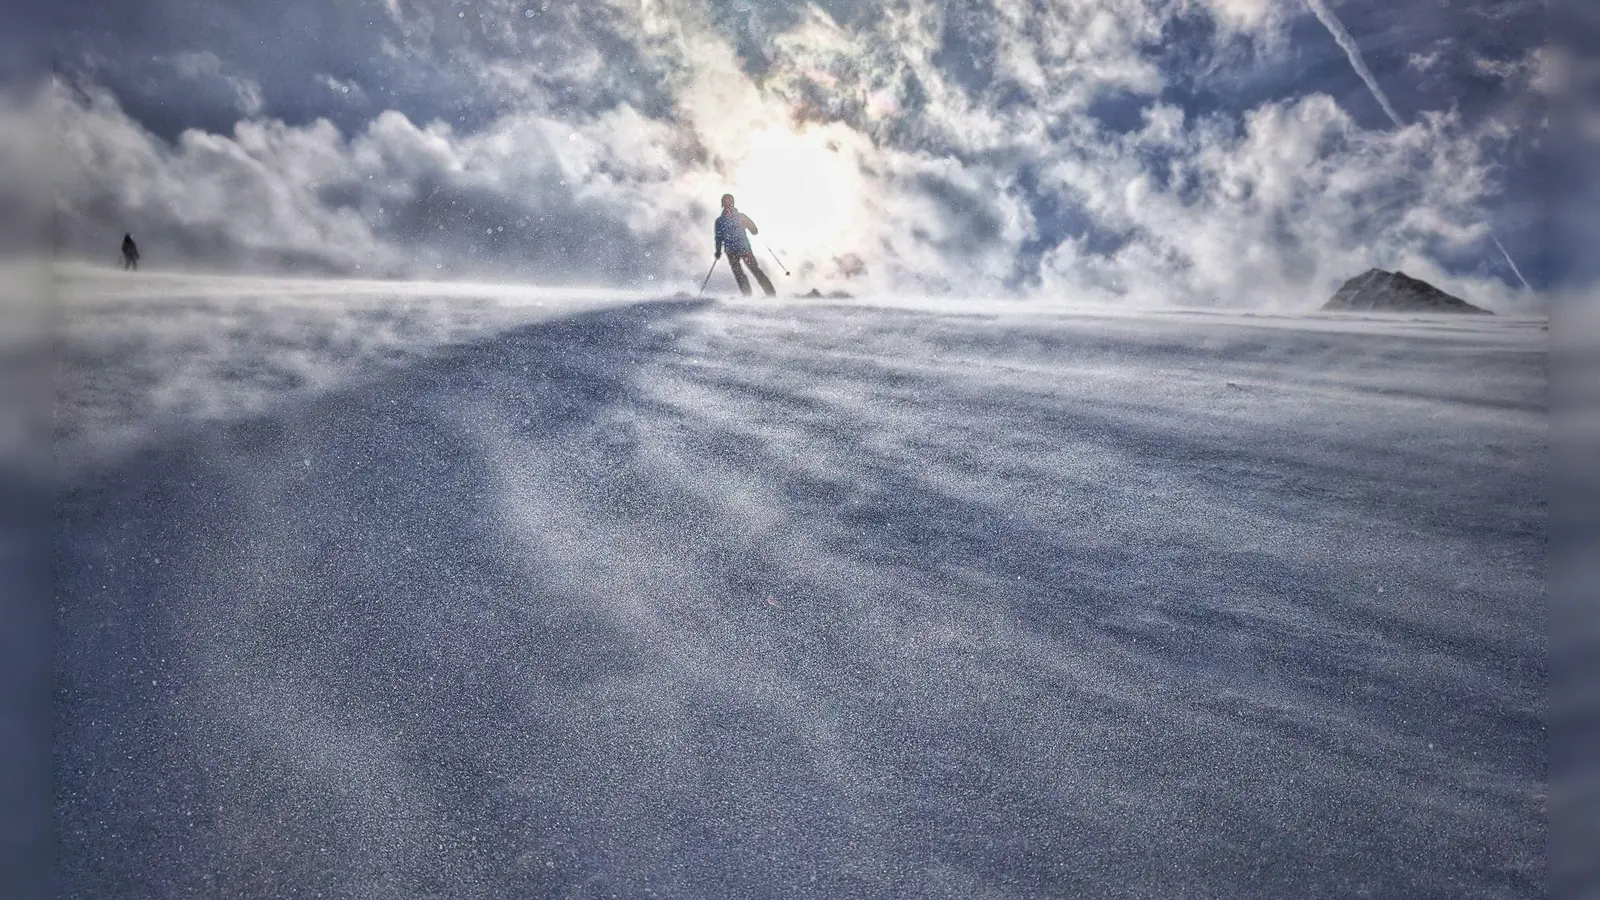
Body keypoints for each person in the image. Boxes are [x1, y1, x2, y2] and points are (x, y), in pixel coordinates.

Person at [713, 194, 775, 297]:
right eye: (726, 202)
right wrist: (718, 250)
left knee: (754, 270)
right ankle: (748, 295)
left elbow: (754, 230)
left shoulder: (739, 217)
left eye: (730, 202)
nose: (728, 205)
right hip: (732, 251)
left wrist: (752, 228)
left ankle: (770, 294)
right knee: (740, 273)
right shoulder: (721, 221)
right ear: (723, 204)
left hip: (743, 248)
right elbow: (718, 238)